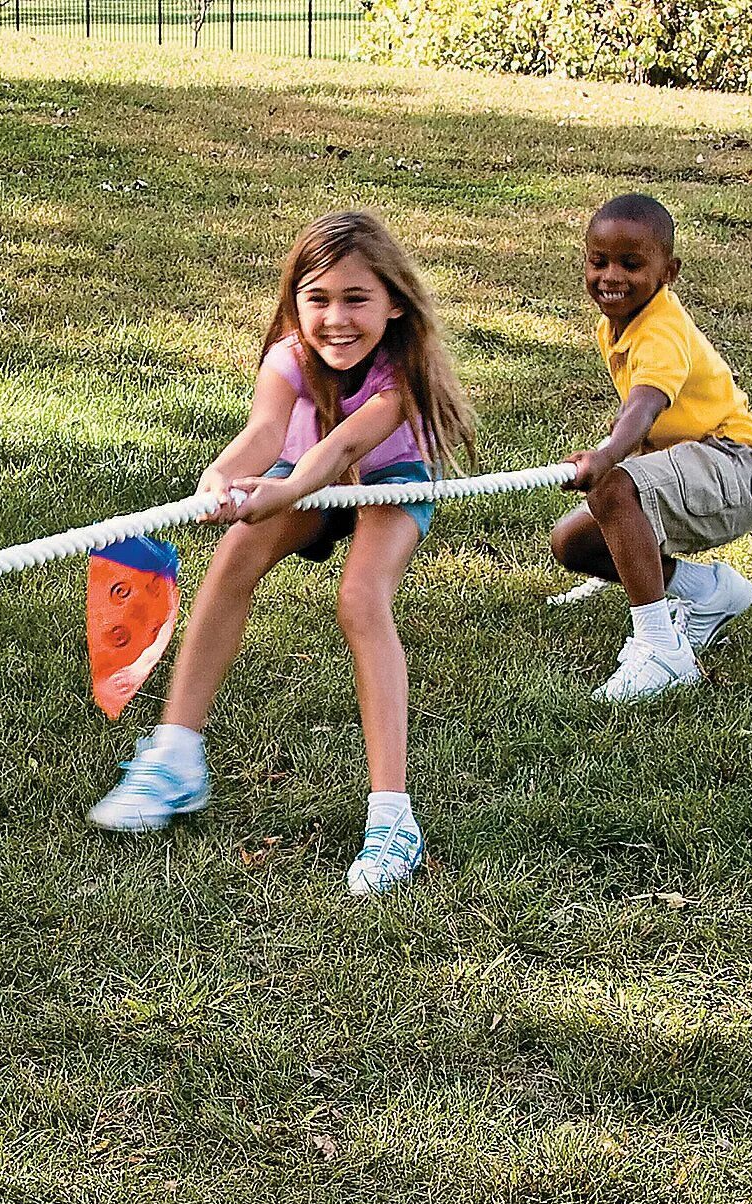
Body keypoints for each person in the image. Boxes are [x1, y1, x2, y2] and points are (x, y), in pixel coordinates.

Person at [88, 210, 475, 896]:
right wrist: (220, 477)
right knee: (235, 553)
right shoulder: (289, 357)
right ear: (296, 301)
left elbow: (348, 448)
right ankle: (177, 756)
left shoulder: (402, 373)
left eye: (357, 299)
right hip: (299, 466)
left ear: (393, 302)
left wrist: (287, 490)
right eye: (318, 298)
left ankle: (393, 819)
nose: (337, 319)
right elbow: (265, 432)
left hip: (387, 478)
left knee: (360, 600)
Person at [551, 193, 752, 702]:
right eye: (598, 261)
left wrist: (608, 457)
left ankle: (663, 650)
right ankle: (707, 594)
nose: (611, 276)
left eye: (631, 264)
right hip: (699, 467)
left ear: (668, 270)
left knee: (611, 486)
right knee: (574, 543)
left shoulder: (659, 331)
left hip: (738, 467)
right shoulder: (614, 323)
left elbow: (646, 405)